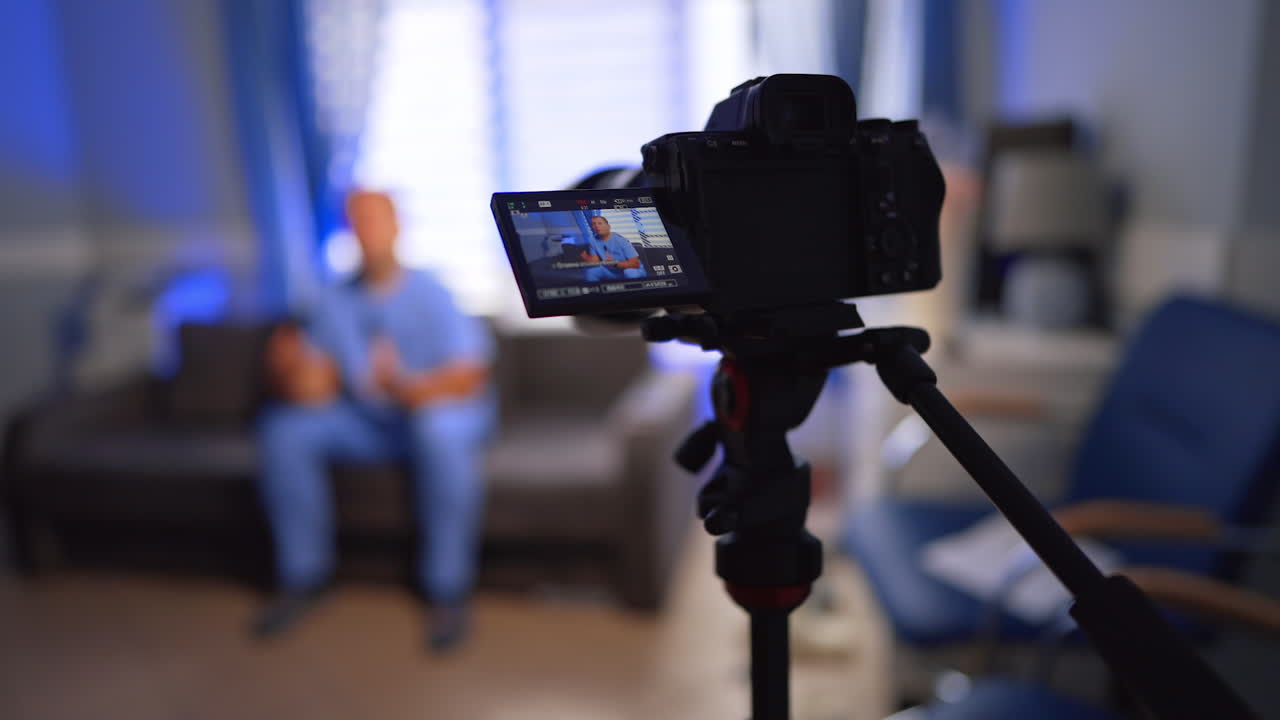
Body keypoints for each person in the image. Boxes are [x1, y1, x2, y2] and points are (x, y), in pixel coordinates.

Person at [253, 190, 494, 653]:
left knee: (436, 429)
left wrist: (406, 388)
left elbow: (469, 375)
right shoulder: (332, 300)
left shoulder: (432, 290)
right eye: (356, 221)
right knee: (284, 429)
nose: (367, 230)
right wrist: (284, 367)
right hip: (369, 423)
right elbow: (315, 391)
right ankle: (303, 577)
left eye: (375, 219)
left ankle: (447, 589)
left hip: (439, 413)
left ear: (397, 226)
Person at [579, 215, 646, 282]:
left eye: (600, 223)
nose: (596, 226)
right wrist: (587, 258)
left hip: (630, 269)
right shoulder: (592, 240)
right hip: (610, 271)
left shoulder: (620, 240)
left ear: (608, 226)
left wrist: (615, 264)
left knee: (629, 272)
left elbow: (635, 264)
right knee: (590, 272)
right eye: (593, 224)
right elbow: (595, 260)